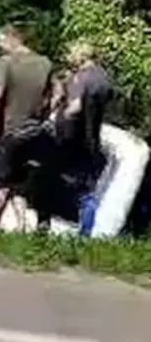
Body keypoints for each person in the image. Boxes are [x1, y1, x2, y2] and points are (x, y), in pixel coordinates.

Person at [0, 24, 52, 231]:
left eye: (0, 39)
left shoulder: (5, 63)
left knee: (0, 184)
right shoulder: (45, 64)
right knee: (18, 183)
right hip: (33, 133)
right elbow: (56, 95)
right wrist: (41, 116)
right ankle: (22, 226)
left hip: (10, 131)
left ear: (13, 38)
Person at [46, 42, 111, 236]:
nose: (69, 58)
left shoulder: (81, 78)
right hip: (91, 141)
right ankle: (85, 233)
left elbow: (75, 107)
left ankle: (42, 227)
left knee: (48, 181)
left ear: (81, 56)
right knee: (86, 193)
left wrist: (60, 115)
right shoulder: (104, 79)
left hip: (70, 139)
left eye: (71, 55)